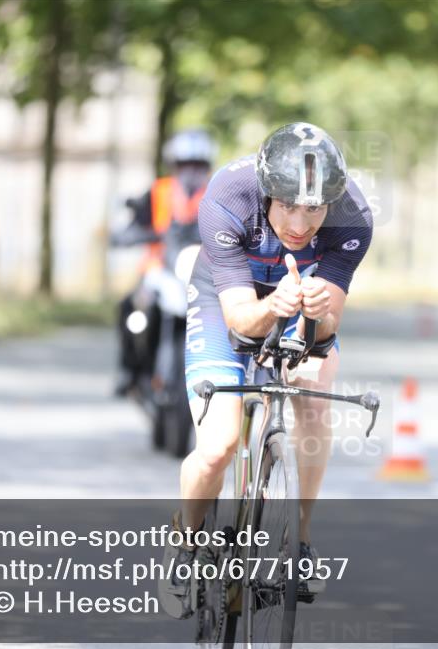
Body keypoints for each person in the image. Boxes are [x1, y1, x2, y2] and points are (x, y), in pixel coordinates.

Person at [159, 123, 373, 618]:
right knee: (218, 447)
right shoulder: (227, 197)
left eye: (314, 210)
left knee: (316, 397)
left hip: (301, 292)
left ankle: (297, 544)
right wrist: (275, 303)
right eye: (288, 207)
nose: (301, 225)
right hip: (227, 295)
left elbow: (325, 331)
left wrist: (318, 314)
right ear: (266, 192)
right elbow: (239, 320)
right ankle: (186, 545)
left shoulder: (354, 215)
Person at [112, 129, 215, 397]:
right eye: (185, 165)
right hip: (158, 270)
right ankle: (129, 369)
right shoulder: (159, 192)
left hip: (199, 271)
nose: (191, 171)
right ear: (174, 166)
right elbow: (131, 227)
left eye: (198, 165)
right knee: (130, 308)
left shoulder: (216, 194)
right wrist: (134, 235)